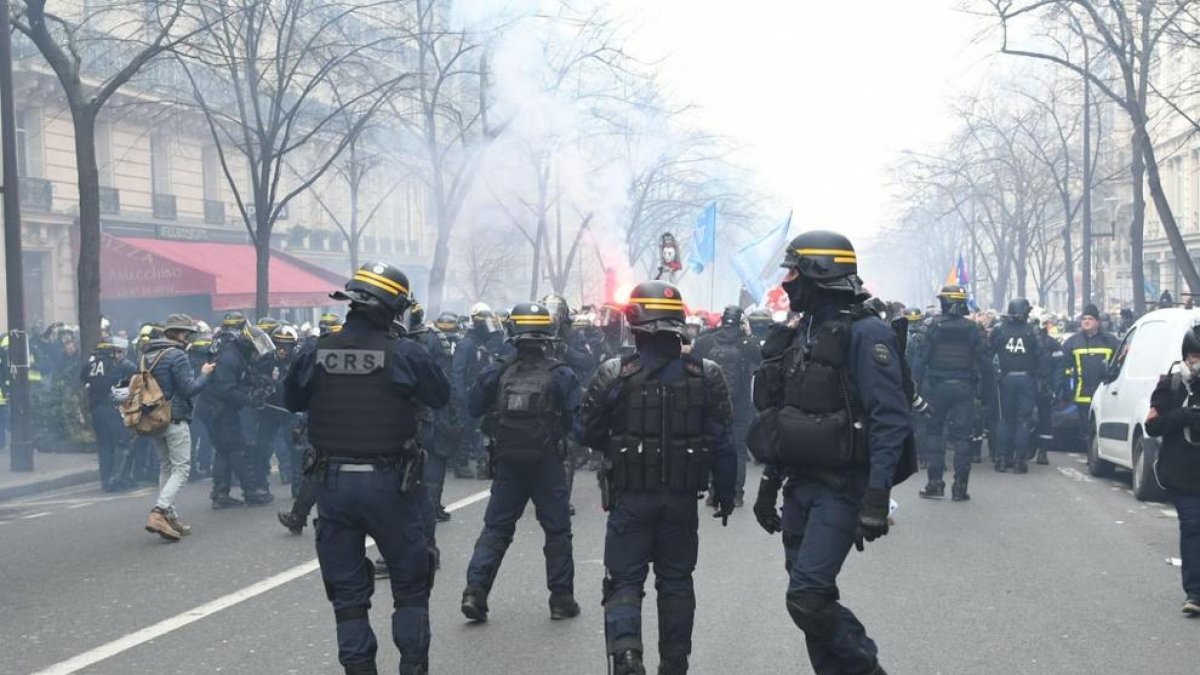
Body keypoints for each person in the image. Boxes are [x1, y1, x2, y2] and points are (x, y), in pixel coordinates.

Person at [749, 231, 910, 675]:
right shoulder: (804, 330)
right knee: (809, 607)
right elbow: (788, 413)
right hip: (799, 486)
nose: (786, 281)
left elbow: (890, 419)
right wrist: (769, 483)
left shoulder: (867, 333)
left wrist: (877, 495)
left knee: (808, 596)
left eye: (793, 272)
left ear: (820, 273)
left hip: (841, 489)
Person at [284, 261, 449, 675]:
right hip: (391, 485)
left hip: (332, 485)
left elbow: (291, 400)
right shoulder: (405, 352)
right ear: (394, 307)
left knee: (347, 597)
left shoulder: (316, 350)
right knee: (410, 587)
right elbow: (440, 396)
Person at [580, 280, 737, 675]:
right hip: (681, 501)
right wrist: (724, 493)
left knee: (624, 582)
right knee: (677, 582)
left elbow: (586, 431)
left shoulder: (615, 373)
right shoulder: (707, 374)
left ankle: (627, 655)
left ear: (635, 323)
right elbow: (723, 441)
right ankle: (675, 663)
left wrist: (621, 444)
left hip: (630, 499)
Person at [460, 302, 582, 623]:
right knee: (557, 531)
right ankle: (561, 599)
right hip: (548, 463)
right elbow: (578, 420)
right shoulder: (561, 373)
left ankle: (475, 591)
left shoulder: (497, 371)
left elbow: (473, 408)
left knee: (496, 528)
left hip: (508, 463)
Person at [913, 284, 990, 501]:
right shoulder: (974, 329)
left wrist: (914, 389)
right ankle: (960, 488)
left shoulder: (931, 327)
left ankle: (935, 483)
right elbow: (985, 364)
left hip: (937, 388)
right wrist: (986, 393)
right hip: (965, 388)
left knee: (934, 434)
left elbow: (920, 362)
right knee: (963, 438)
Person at [141, 314, 215, 540]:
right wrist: (204, 375)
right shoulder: (177, 355)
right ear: (176, 333)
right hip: (175, 417)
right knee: (181, 469)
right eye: (186, 333)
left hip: (155, 418)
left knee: (166, 467)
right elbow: (189, 388)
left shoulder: (147, 354)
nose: (188, 337)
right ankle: (159, 512)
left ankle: (170, 517)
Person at [1146, 324, 1200, 617]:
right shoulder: (1171, 385)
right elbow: (1152, 425)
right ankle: (1195, 593)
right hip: (1183, 475)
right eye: (1195, 356)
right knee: (1192, 527)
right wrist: (1183, 416)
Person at [201, 322, 276, 508]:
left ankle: (220, 494)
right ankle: (251, 491)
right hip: (217, 408)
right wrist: (249, 399)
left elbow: (240, 381)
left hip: (216, 407)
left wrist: (257, 385)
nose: (257, 354)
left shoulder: (236, 354)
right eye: (255, 349)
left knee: (224, 449)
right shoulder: (230, 358)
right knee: (236, 447)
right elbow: (226, 390)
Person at [692, 305, 759, 507]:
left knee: (713, 445)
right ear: (741, 322)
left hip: (712, 402)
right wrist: (749, 334)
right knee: (738, 449)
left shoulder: (706, 341)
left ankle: (714, 492)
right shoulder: (747, 344)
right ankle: (736, 493)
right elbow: (762, 359)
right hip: (740, 404)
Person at [988, 298, 1047, 474]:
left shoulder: (1000, 329)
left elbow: (989, 352)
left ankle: (1001, 458)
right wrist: (1042, 377)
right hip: (1027, 379)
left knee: (1004, 419)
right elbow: (1042, 355)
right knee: (1023, 420)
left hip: (1005, 379)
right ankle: (1020, 460)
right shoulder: (1032, 330)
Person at [1063, 304, 1121, 450]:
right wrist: (1066, 389)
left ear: (1097, 322)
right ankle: (1090, 453)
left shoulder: (1110, 341)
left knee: (1100, 428)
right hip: (1082, 395)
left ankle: (1098, 453)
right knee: (1086, 430)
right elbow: (1063, 367)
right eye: (1084, 319)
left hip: (1104, 395)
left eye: (1090, 318)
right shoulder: (1072, 342)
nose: (1086, 321)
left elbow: (1120, 362)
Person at [82, 338, 137, 492]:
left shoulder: (89, 365)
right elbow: (125, 378)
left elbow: (83, 378)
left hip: (95, 409)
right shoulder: (112, 365)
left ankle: (105, 481)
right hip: (111, 408)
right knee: (123, 442)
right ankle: (117, 479)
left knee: (104, 446)